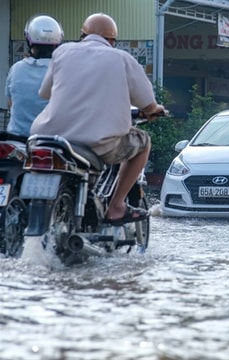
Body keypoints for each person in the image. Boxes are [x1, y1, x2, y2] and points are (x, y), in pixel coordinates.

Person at [30, 13, 165, 225]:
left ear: (82, 35)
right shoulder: (122, 59)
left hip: (50, 138)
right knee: (143, 142)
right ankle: (116, 207)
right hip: (97, 143)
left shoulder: (62, 52)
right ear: (112, 41)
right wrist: (156, 110)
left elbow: (45, 93)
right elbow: (148, 104)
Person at [5, 15, 63, 137]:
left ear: (28, 41)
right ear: (57, 43)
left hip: (16, 139)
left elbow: (10, 103)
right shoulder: (62, 71)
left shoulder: (16, 69)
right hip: (50, 141)